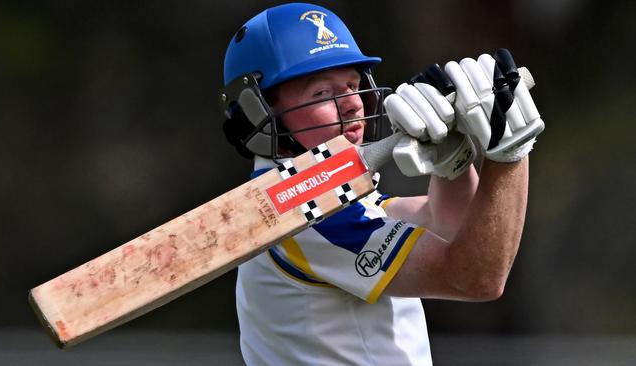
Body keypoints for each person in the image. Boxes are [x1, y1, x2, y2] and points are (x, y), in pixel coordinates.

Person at [219, 3, 544, 365]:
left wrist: (453, 164)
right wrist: (510, 153)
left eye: (352, 86)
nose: (352, 105)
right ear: (259, 113)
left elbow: (448, 227)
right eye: (323, 95)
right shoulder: (299, 210)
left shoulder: (317, 197)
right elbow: (477, 277)